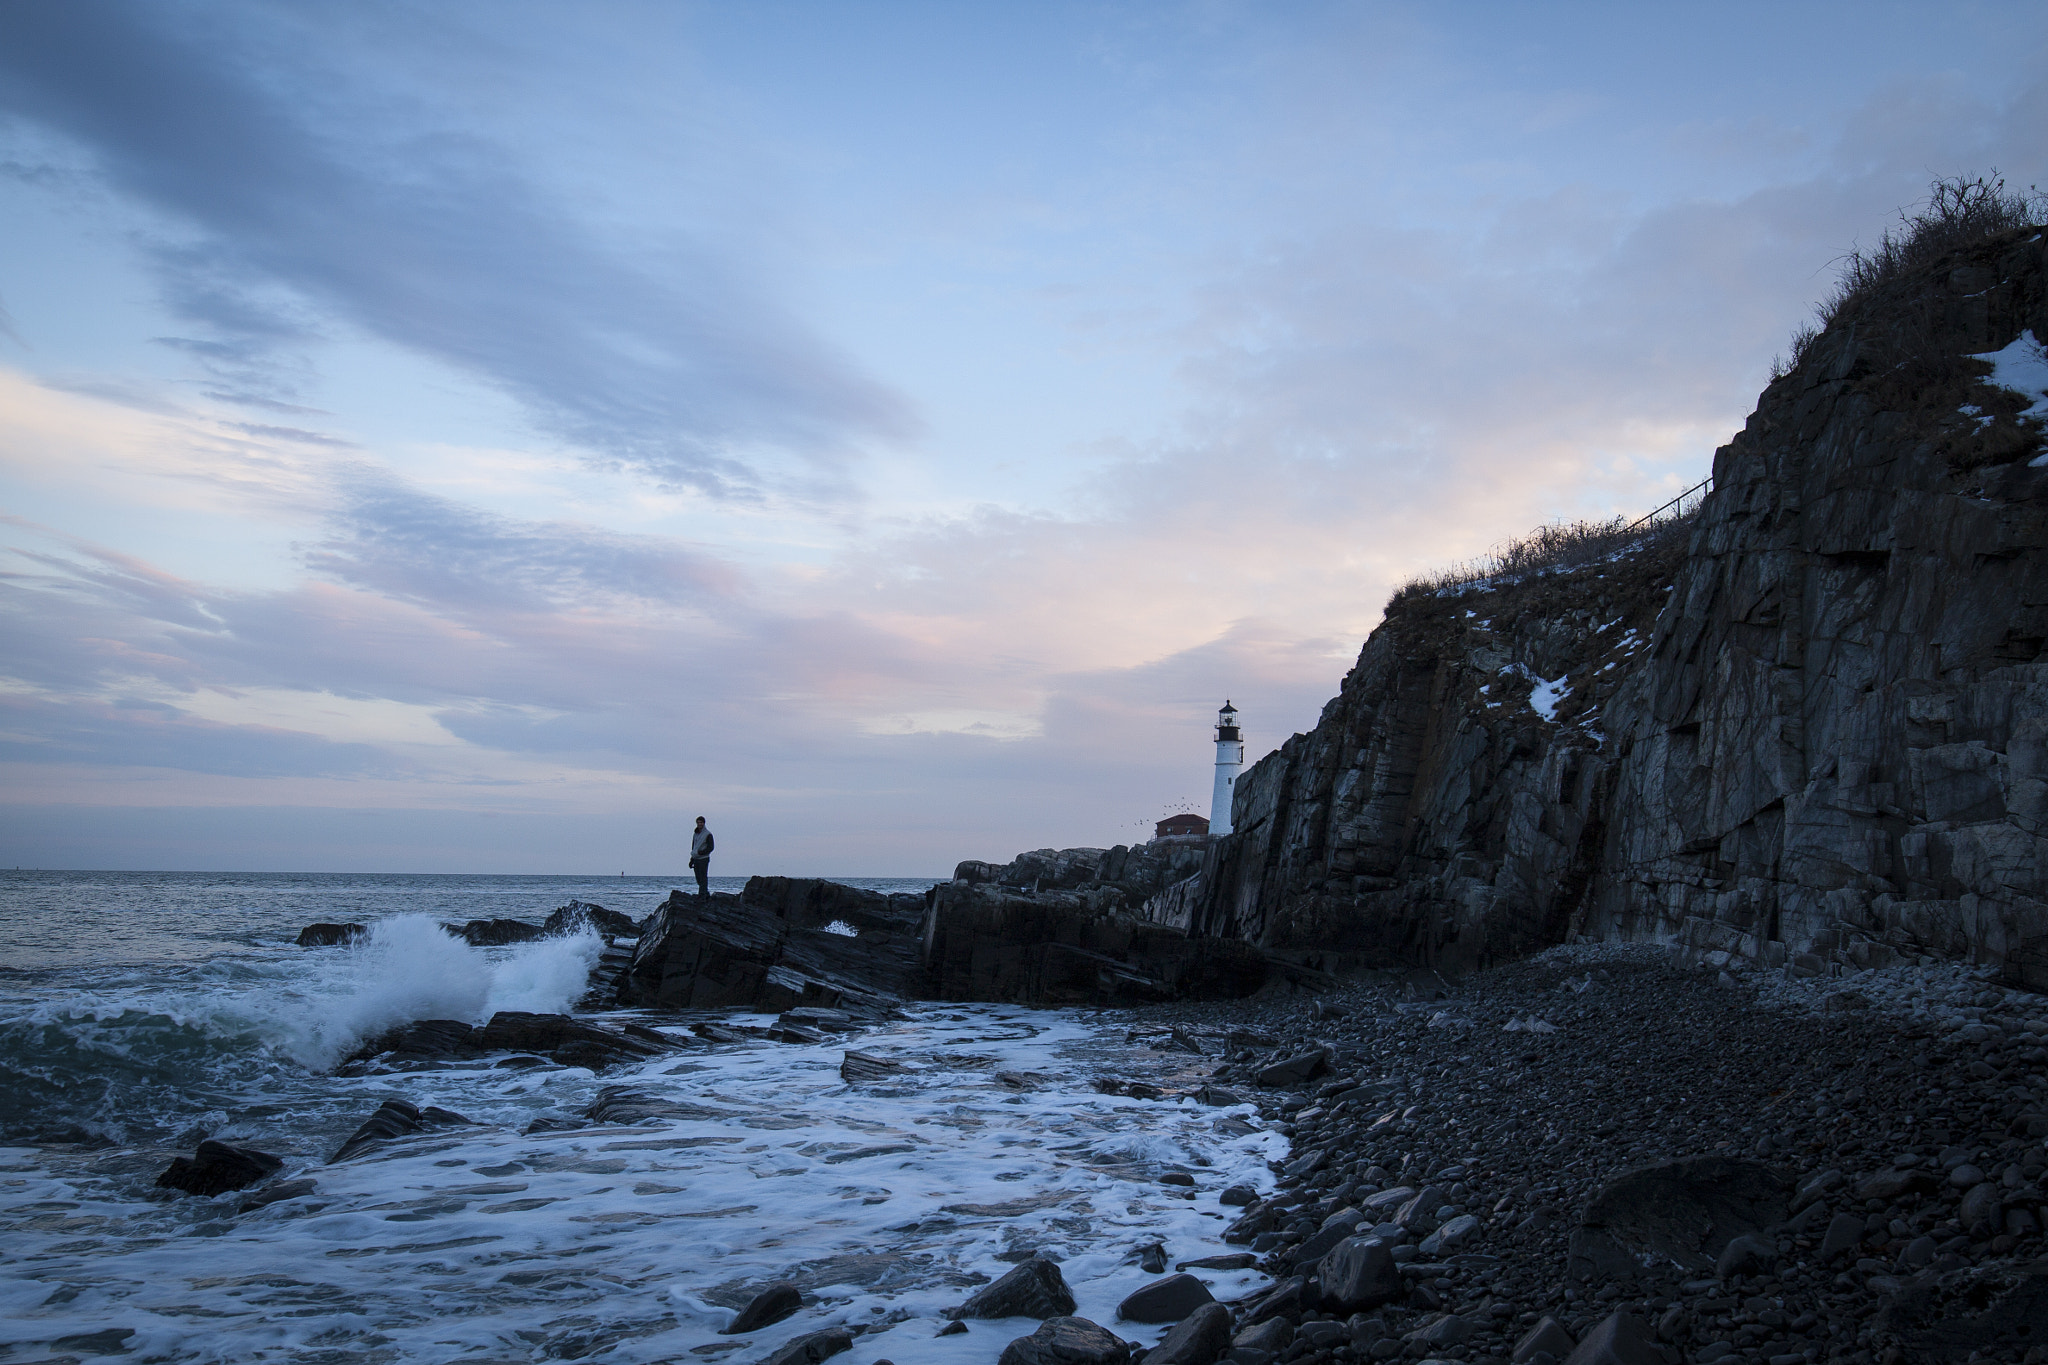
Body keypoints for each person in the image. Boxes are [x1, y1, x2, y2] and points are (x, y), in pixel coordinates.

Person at [689, 816, 714, 897]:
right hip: (696, 858)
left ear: (704, 823)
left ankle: (703, 894)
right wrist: (692, 859)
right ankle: (704, 892)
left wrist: (702, 852)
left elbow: (711, 847)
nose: (700, 824)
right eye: (698, 823)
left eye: (701, 822)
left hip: (703, 858)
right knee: (698, 878)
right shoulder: (695, 834)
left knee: (703, 877)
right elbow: (694, 846)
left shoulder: (708, 834)